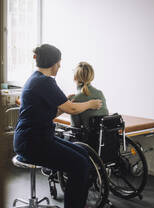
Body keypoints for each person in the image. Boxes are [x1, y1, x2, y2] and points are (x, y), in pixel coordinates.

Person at [13, 44, 102, 208]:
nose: (60, 66)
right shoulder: (44, 82)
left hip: (35, 138)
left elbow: (49, 113)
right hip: (33, 143)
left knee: (83, 153)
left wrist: (62, 106)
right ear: (53, 63)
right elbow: (73, 109)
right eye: (59, 63)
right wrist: (90, 103)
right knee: (80, 164)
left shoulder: (36, 78)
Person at [70, 61, 109, 131]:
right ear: (91, 77)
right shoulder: (100, 93)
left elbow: (75, 127)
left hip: (87, 140)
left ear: (75, 78)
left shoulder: (75, 99)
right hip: (104, 138)